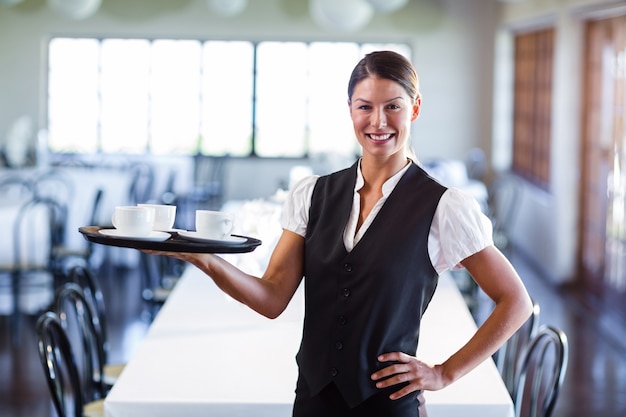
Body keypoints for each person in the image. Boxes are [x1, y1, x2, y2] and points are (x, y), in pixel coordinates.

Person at [145, 50, 533, 417]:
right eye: (365, 107)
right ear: (350, 110)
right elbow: (272, 297)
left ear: (415, 108)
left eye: (392, 106)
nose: (378, 122)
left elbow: (514, 301)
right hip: (312, 400)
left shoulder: (444, 206)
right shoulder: (312, 194)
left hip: (387, 405)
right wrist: (201, 257)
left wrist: (444, 373)